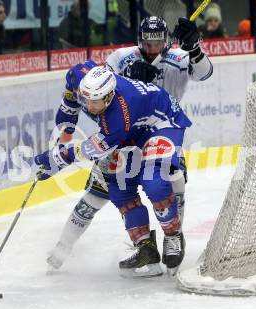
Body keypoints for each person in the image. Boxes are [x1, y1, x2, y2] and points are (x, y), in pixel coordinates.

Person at [45, 16, 213, 274]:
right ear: (139, 39)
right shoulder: (121, 58)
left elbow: (205, 73)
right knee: (100, 193)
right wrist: (127, 76)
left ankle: (172, 238)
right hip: (120, 136)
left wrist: (194, 47)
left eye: (158, 43)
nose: (153, 48)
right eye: (148, 42)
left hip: (158, 130)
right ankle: (63, 248)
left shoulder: (179, 57)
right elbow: (101, 86)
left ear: (167, 41)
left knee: (168, 183)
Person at [35, 64, 192, 277]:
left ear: (108, 98)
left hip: (160, 124)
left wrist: (58, 159)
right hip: (131, 129)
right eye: (85, 99)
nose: (89, 105)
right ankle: (145, 247)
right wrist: (63, 134)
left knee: (154, 182)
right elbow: (70, 103)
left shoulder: (119, 115)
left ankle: (173, 236)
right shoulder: (79, 77)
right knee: (118, 188)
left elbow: (93, 148)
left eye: (95, 101)